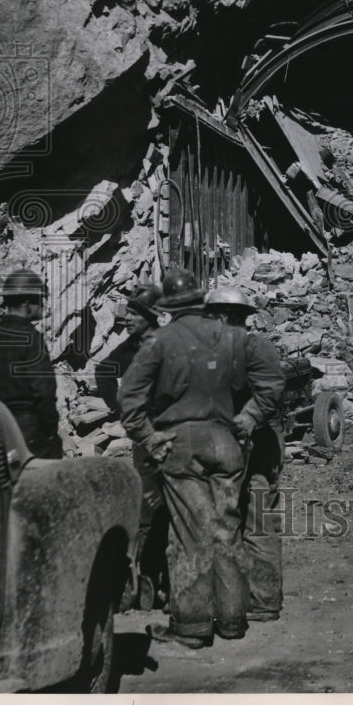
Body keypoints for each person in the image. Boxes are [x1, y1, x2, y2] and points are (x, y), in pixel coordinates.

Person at [119, 268, 252, 649]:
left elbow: (129, 398)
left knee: (190, 535)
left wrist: (149, 437)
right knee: (227, 528)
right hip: (226, 441)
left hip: (181, 443)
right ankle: (232, 620)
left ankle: (192, 626)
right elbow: (250, 386)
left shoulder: (160, 341)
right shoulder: (232, 337)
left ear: (168, 306)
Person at [204, 285, 287, 623]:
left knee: (257, 519)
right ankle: (235, 598)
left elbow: (272, 389)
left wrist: (249, 417)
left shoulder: (255, 347)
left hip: (260, 443)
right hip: (229, 442)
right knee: (235, 519)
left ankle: (264, 600)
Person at [114, 283, 170, 612]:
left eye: (134, 313)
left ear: (150, 317)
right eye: (127, 312)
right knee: (147, 512)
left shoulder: (162, 348)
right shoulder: (130, 350)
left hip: (165, 435)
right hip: (147, 440)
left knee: (171, 510)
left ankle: (165, 583)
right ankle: (143, 581)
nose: (126, 318)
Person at [0, 269, 62, 459]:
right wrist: (51, 429)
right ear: (28, 303)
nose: (43, 306)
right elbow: (44, 392)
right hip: (28, 428)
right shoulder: (32, 338)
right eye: (40, 300)